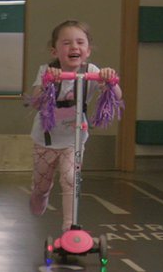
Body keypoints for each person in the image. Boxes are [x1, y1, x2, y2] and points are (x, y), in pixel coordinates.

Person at [28, 20, 121, 232]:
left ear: (88, 51)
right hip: (46, 140)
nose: (74, 47)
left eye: (80, 42)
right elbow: (35, 102)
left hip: (74, 139)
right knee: (42, 184)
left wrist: (110, 81)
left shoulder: (91, 71)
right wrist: (47, 83)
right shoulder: (47, 70)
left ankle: (70, 226)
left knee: (71, 178)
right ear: (55, 50)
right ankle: (40, 194)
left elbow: (117, 96)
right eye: (67, 43)